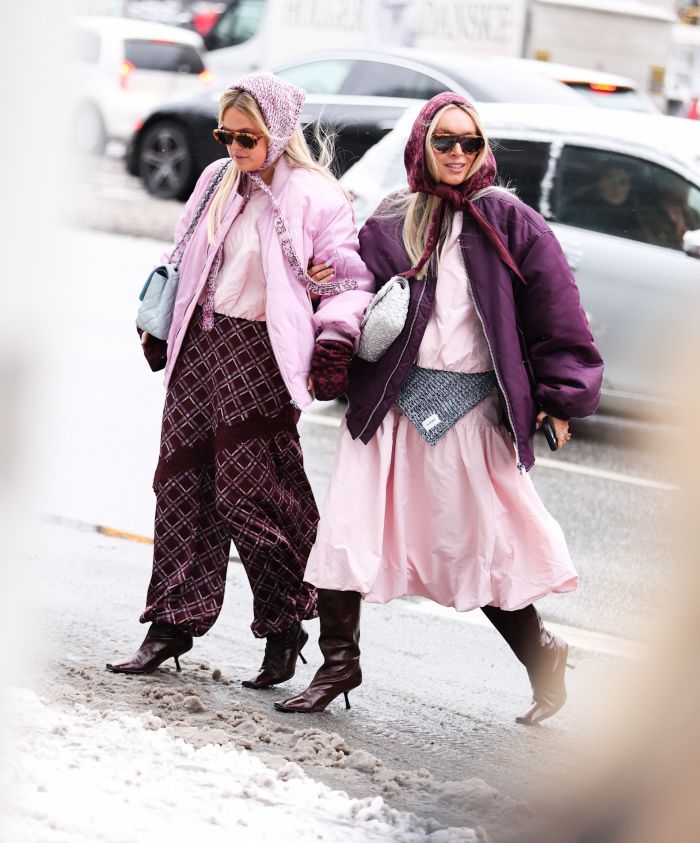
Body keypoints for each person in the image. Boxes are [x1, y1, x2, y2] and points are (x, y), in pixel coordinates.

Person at [274, 92, 604, 725]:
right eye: (444, 141)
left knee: (479, 547)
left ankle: (543, 655)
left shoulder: (511, 221)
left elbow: (559, 314)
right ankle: (338, 664)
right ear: (421, 145)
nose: (457, 153)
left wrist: (561, 399)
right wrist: (324, 293)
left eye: (470, 142)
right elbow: (354, 289)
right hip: (388, 406)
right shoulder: (391, 218)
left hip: (473, 411)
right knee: (346, 531)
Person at [107, 73, 373, 687]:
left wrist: (335, 338)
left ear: (277, 131)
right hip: (199, 347)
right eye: (224, 135)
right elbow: (179, 257)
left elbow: (348, 283)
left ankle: (285, 624)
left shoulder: (316, 197)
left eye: (246, 137)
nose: (234, 147)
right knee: (180, 486)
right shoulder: (214, 182)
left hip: (262, 356)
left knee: (250, 497)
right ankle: (170, 624)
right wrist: (157, 320)